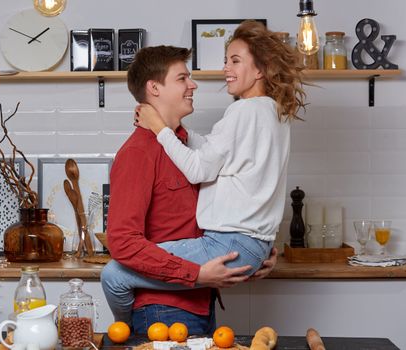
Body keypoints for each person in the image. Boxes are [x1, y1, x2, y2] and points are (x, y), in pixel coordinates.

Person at [102, 41, 279, 334]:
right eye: (182, 78)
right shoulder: (138, 152)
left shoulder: (191, 149)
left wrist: (253, 256)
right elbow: (123, 241)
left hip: (201, 304)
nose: (193, 85)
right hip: (162, 311)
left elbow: (222, 223)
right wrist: (194, 273)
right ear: (154, 88)